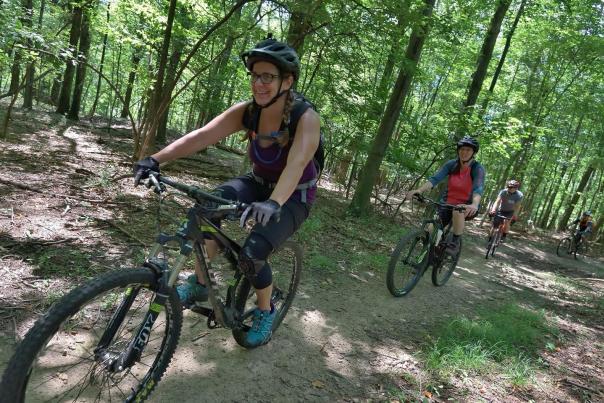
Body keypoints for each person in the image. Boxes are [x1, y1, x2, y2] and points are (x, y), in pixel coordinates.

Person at [133, 35, 321, 347]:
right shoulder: (249, 112)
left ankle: (265, 310)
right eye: (255, 75)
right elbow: (201, 136)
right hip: (257, 181)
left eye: (268, 77)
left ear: (287, 81)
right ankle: (200, 283)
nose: (259, 83)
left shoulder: (306, 118)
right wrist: (155, 159)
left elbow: (297, 163)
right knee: (206, 209)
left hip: (294, 195)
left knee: (253, 254)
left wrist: (274, 203)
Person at [407, 136, 486, 255]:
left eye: (468, 150)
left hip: (467, 206)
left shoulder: (477, 168)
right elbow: (435, 179)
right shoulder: (452, 164)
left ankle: (455, 242)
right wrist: (419, 190)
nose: (464, 152)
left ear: (473, 153)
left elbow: (478, 188)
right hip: (447, 203)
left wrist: (475, 204)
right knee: (429, 231)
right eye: (462, 149)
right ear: (458, 150)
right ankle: (428, 258)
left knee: (457, 210)